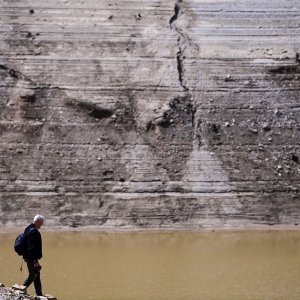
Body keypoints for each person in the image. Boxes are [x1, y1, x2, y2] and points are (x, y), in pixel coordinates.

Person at [22, 214, 44, 296]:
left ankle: (39, 294)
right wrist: (35, 261)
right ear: (38, 222)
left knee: (37, 273)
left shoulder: (28, 228)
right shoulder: (34, 232)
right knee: (33, 275)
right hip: (31, 258)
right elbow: (31, 248)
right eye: (41, 223)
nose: (42, 225)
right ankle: (20, 289)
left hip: (28, 256)